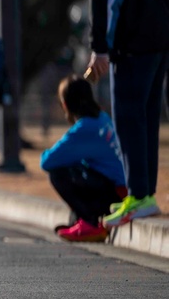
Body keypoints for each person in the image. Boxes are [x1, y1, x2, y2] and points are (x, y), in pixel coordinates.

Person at [83, 0, 169, 226]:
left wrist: (99, 49)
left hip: (130, 47)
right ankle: (145, 195)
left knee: (128, 120)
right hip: (160, 44)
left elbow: (102, 2)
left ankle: (138, 195)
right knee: (146, 119)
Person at [42, 75, 127, 242]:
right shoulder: (102, 118)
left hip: (113, 194)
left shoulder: (85, 127)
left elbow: (47, 162)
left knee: (58, 174)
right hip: (120, 190)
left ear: (65, 104)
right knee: (78, 166)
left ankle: (90, 222)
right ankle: (80, 221)